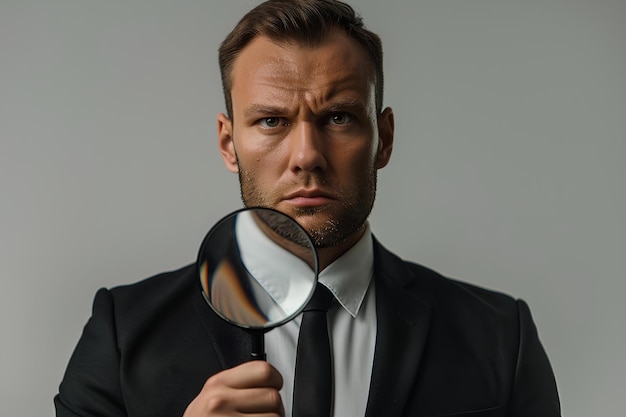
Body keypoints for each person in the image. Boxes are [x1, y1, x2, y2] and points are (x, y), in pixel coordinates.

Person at [55, 0, 561, 416]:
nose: (307, 157)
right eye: (272, 121)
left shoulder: (499, 337)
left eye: (338, 117)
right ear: (229, 143)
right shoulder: (123, 333)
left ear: (383, 139)